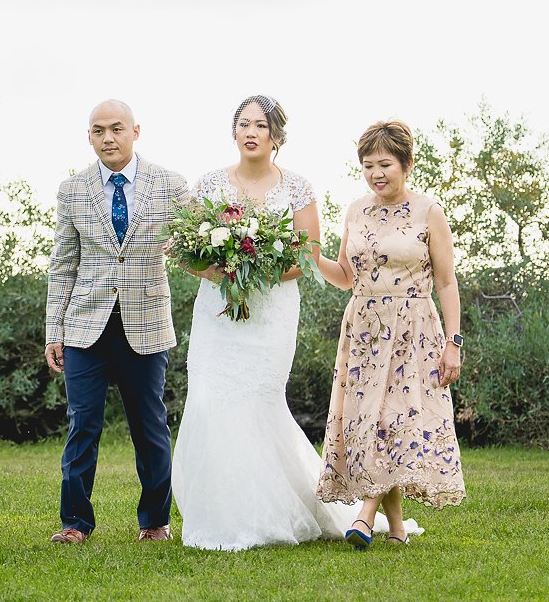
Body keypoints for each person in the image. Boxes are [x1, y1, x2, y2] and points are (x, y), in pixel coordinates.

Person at [172, 95, 418, 550]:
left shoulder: (298, 188)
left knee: (257, 403)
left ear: (276, 136)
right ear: (234, 132)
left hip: (271, 312)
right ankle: (221, 515)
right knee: (208, 399)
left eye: (260, 125)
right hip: (217, 311)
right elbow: (187, 251)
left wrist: (255, 269)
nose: (250, 132)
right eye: (243, 124)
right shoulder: (207, 184)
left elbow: (305, 258)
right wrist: (222, 272)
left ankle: (274, 512)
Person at [308, 119, 466, 549]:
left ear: (407, 164)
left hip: (413, 329)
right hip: (363, 328)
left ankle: (364, 516)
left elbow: (448, 282)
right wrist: (310, 254)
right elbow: (344, 276)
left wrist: (454, 343)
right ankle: (395, 531)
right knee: (373, 421)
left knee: (390, 417)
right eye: (368, 165)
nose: (376, 173)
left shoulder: (429, 211)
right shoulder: (356, 210)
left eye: (385, 164)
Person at [45, 99, 189, 544]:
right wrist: (55, 331)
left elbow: (194, 249)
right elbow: (63, 264)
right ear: (89, 136)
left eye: (116, 129)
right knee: (82, 424)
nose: (108, 138)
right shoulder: (72, 190)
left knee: (149, 426)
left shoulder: (171, 185)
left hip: (145, 322)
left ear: (135, 131)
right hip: (85, 326)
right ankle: (75, 524)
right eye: (98, 130)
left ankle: (154, 522)